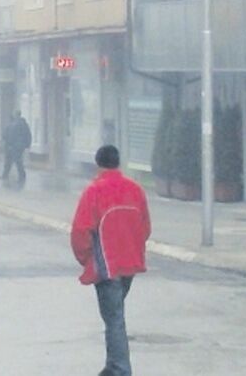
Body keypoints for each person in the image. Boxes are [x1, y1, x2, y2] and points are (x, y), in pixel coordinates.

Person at [71, 145, 151, 376]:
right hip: (130, 263)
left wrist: (86, 258)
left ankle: (120, 369)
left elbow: (81, 230)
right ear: (118, 162)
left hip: (106, 264)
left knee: (114, 317)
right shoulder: (136, 189)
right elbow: (145, 226)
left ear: (98, 163)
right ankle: (112, 364)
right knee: (115, 313)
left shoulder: (94, 191)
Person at [2, 110, 32, 186]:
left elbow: (26, 135)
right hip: (12, 146)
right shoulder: (15, 124)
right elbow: (6, 134)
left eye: (15, 114)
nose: (14, 116)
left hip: (16, 146)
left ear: (17, 115)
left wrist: (25, 145)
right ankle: (5, 174)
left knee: (17, 161)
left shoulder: (20, 124)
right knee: (10, 160)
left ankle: (21, 175)